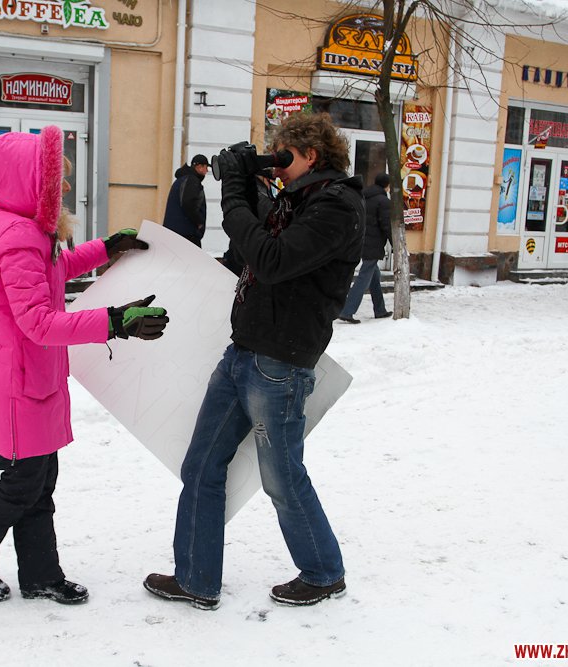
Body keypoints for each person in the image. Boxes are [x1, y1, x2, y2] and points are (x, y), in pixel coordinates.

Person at [144, 112, 363, 609]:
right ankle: (197, 578)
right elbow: (249, 252)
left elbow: (271, 259)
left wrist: (234, 194)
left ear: (312, 155)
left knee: (281, 477)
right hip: (244, 350)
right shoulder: (298, 200)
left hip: (281, 363)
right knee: (201, 465)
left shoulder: (337, 207)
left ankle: (324, 572)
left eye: (286, 155)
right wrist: (247, 182)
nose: (278, 165)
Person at [0, 126, 168, 604]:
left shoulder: (29, 232)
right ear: (28, 184)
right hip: (16, 387)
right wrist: (114, 321)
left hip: (34, 381)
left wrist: (107, 248)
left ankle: (41, 575)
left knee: (38, 484)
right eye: (53, 178)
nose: (64, 187)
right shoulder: (18, 240)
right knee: (20, 485)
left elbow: (58, 270)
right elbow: (39, 323)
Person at [338, 172, 393, 323]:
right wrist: (395, 244)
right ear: (387, 186)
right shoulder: (383, 201)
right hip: (373, 244)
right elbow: (386, 225)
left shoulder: (364, 196)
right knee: (364, 277)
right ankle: (347, 311)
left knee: (374, 275)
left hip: (360, 240)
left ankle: (380, 310)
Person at [162, 154, 209, 246]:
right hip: (186, 234)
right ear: (199, 167)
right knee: (192, 255)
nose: (206, 171)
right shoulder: (192, 180)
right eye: (206, 167)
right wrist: (199, 222)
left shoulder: (182, 180)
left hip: (174, 233)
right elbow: (188, 203)